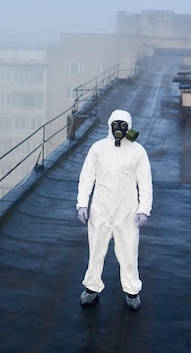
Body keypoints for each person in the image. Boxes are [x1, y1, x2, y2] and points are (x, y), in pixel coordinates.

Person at [76, 109, 153, 310]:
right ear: (110, 126)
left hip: (126, 211)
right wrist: (82, 204)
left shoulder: (138, 151)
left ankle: (132, 290)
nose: (119, 129)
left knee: (128, 250)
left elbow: (145, 183)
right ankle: (92, 287)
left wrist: (144, 210)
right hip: (100, 209)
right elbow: (86, 178)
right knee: (96, 250)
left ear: (128, 127)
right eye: (115, 125)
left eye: (123, 125)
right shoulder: (98, 149)